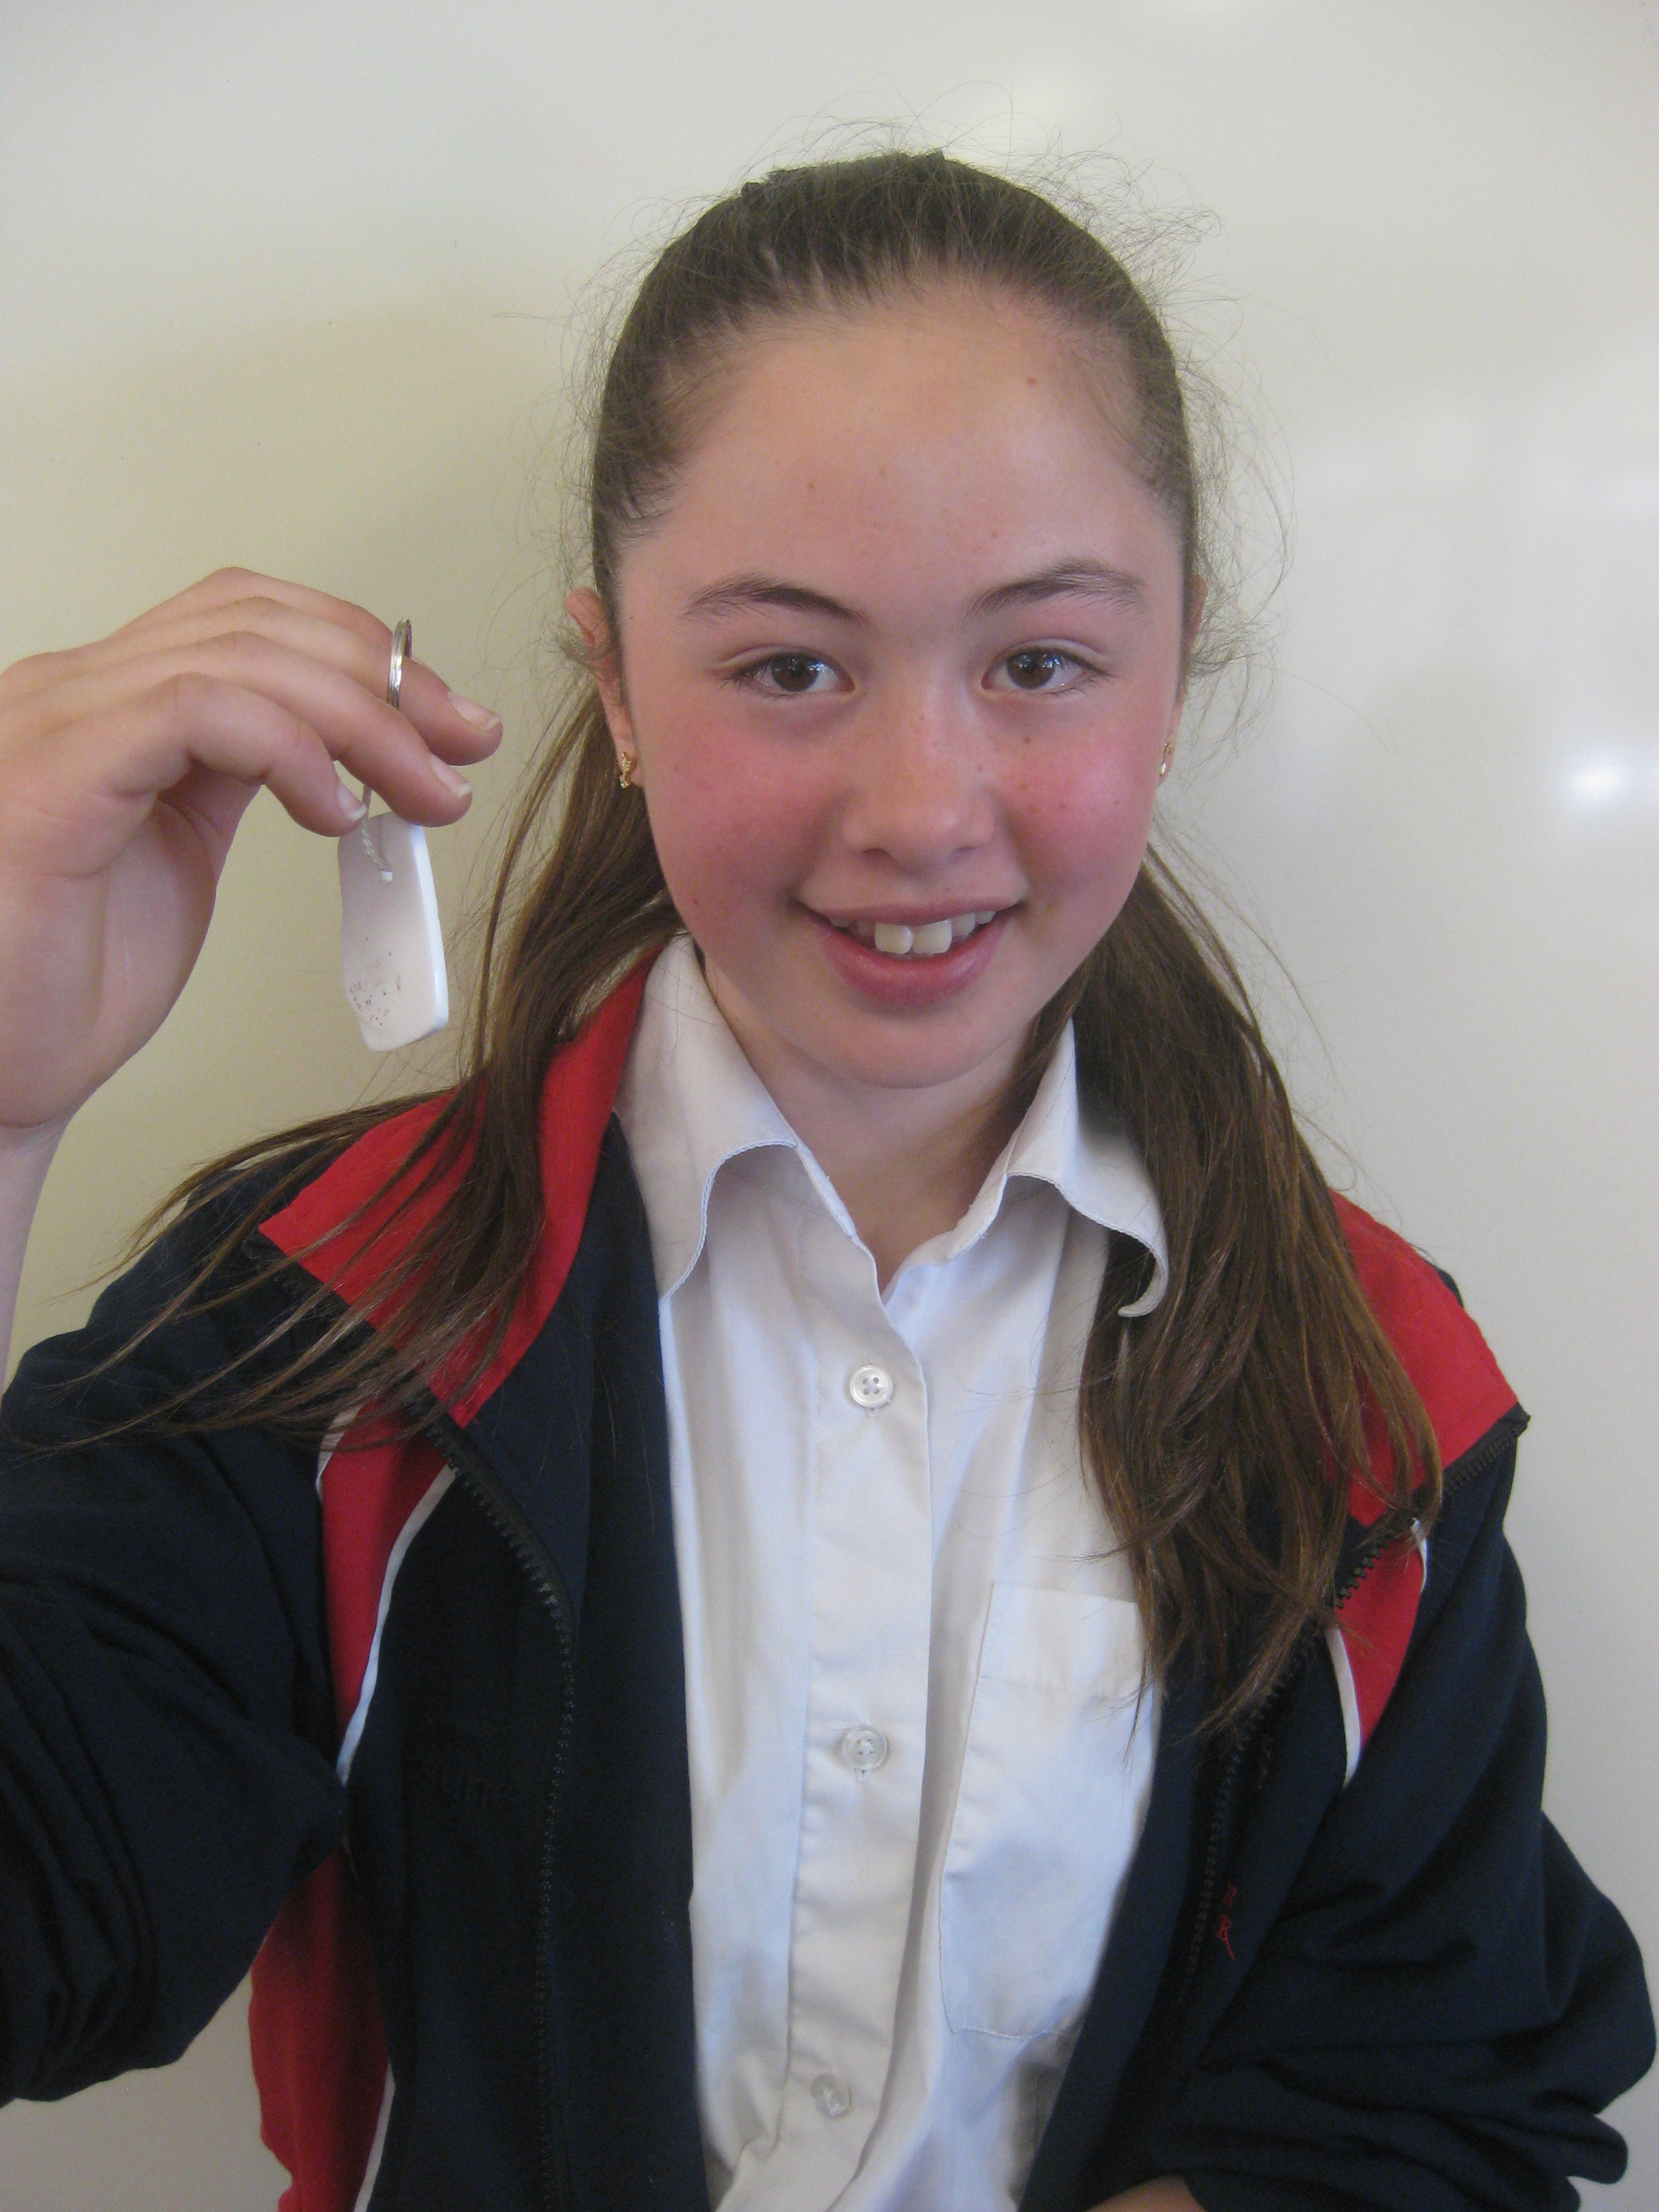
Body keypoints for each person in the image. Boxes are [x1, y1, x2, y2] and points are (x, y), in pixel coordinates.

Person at [0, 150, 1650, 2212]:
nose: (920, 810)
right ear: (616, 687)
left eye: (1039, 663)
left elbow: (1436, 2102)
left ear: (1175, 668)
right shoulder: (331, 1316)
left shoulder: (1367, 1393)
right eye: (790, 667)